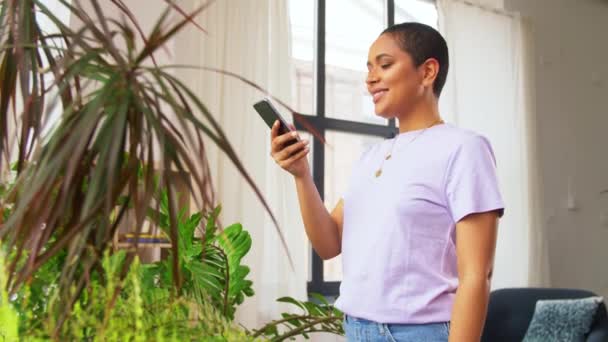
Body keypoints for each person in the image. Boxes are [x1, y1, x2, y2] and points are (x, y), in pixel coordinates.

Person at [270, 22, 504, 342]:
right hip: (357, 329)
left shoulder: (464, 148)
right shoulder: (371, 158)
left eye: (385, 64)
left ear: (427, 72)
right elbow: (328, 244)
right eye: (368, 68)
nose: (370, 78)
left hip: (422, 334)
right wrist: (301, 174)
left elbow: (477, 275)